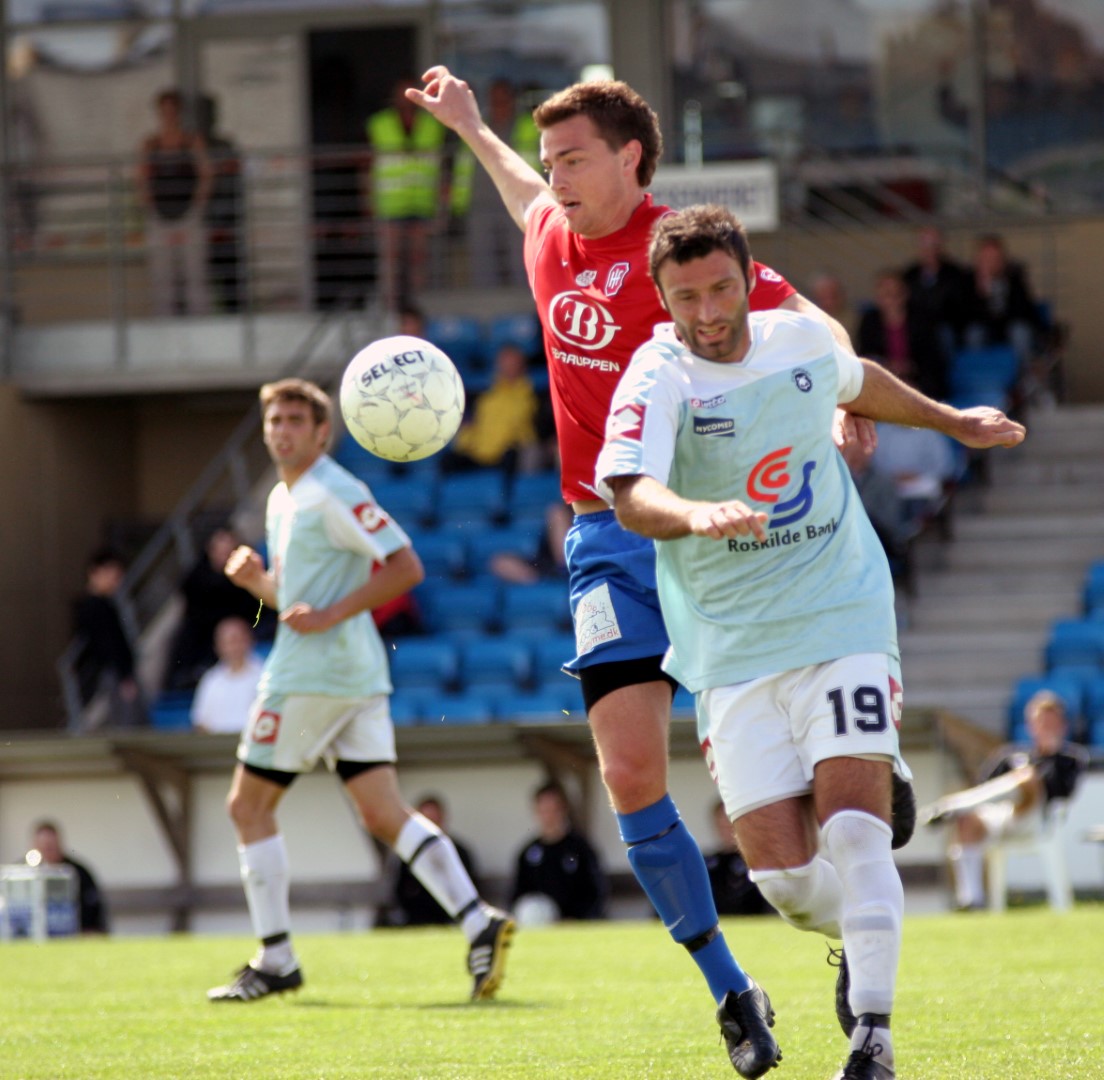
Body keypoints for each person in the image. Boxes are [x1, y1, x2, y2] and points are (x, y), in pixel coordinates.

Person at [409, 66, 883, 1077]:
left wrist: (848, 398)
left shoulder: (683, 254)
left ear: (631, 159)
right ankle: (730, 991)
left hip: (721, 537)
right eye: (551, 159)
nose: (556, 176)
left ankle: (858, 890)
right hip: (607, 539)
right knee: (627, 774)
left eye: (574, 158)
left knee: (788, 820)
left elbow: (809, 321)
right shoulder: (549, 232)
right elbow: (518, 189)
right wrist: (471, 127)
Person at [595, 204, 1025, 1080]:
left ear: (748, 278)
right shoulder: (657, 374)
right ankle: (860, 940)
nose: (709, 312)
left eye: (722, 289)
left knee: (857, 835)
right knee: (786, 883)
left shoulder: (795, 340)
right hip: (730, 647)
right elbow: (631, 494)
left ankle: (873, 1039)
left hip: (840, 613)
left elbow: (856, 379)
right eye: (687, 297)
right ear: (663, 299)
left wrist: (952, 421)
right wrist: (695, 514)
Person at [206, 378, 513, 1004]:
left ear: (323, 432)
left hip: (309, 676)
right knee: (382, 813)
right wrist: (259, 584)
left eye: (296, 421)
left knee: (247, 807)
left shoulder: (334, 490)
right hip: (357, 675)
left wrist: (331, 614)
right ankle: (478, 920)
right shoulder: (284, 498)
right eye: (274, 421)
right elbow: (298, 601)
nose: (282, 431)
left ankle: (276, 958)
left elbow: (406, 566)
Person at [921, 690, 1088, 911]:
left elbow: (1063, 793)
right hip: (1003, 817)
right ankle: (971, 899)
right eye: (1041, 721)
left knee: (1026, 777)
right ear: (1031, 725)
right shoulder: (1012, 755)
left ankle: (952, 806)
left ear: (1062, 726)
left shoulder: (1070, 759)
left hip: (1037, 820)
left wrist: (1044, 761)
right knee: (968, 820)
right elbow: (983, 787)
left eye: (1051, 722)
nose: (1046, 727)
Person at [365, 77, 449, 310]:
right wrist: (369, 202)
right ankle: (391, 306)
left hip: (422, 204)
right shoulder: (379, 124)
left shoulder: (433, 125)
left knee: (418, 260)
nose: (406, 103)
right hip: (390, 205)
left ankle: (418, 306)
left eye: (411, 97)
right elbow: (367, 166)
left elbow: (442, 168)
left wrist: (442, 205)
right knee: (390, 262)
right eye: (402, 97)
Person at [453, 78, 540, 288]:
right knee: (482, 261)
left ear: (512, 100)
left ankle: (525, 298)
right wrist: (458, 205)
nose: (499, 104)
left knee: (522, 256)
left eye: (503, 99)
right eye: (494, 100)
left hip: (520, 203)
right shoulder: (476, 127)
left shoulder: (529, 126)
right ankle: (486, 301)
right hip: (481, 204)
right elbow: (463, 169)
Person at [165, 526, 274, 692]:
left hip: (249, 627)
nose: (223, 555)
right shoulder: (196, 580)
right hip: (207, 636)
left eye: (228, 551)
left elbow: (260, 605)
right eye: (219, 550)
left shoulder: (248, 574)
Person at [136, 88, 212, 316]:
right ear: (159, 113)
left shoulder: (192, 141)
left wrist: (195, 209)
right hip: (160, 217)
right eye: (164, 111)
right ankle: (164, 325)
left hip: (188, 216)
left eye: (173, 111)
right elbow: (141, 179)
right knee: (162, 278)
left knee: (195, 274)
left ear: (179, 112)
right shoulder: (150, 143)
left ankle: (200, 322)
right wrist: (152, 210)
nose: (169, 115)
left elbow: (206, 175)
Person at [511, 779, 609, 922]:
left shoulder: (581, 849)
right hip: (540, 925)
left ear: (564, 810)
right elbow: (517, 896)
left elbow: (596, 892)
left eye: (554, 810)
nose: (549, 817)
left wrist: (576, 919)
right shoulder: (527, 853)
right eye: (544, 811)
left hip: (576, 925)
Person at [377, 794, 480, 927]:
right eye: (427, 821)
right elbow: (399, 894)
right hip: (416, 919)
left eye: (434, 820)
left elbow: (470, 890)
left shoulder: (459, 852)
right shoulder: (406, 854)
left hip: (451, 919)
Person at [72, 547, 146, 731]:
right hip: (111, 674)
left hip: (114, 672)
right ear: (95, 573)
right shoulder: (93, 607)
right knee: (126, 721)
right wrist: (124, 675)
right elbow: (107, 644)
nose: (116, 581)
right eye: (112, 575)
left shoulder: (104, 604)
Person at [442, 342, 540, 474]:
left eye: (513, 363)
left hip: (508, 456)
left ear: (522, 365)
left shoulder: (530, 395)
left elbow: (527, 432)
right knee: (448, 460)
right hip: (479, 454)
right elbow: (473, 427)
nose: (508, 367)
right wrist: (465, 441)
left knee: (514, 456)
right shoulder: (486, 398)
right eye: (505, 363)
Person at [857, 269, 948, 402]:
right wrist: (888, 366)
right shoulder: (869, 321)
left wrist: (911, 368)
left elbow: (932, 359)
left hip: (918, 381)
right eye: (886, 294)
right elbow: (865, 355)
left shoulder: (922, 319)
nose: (892, 299)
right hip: (883, 380)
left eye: (896, 293)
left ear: (905, 294)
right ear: (878, 298)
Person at [963, 233, 1045, 372]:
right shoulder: (969, 280)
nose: (991, 263)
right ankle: (979, 376)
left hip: (1009, 327)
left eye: (995, 258)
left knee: (1020, 333)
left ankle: (1022, 377)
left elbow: (1024, 309)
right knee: (974, 334)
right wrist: (983, 295)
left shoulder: (1014, 278)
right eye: (986, 258)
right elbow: (966, 315)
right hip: (984, 327)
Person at [197, 94, 245, 313]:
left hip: (226, 221)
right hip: (200, 222)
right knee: (202, 277)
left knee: (230, 276)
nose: (205, 119)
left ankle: (232, 313)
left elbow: (235, 181)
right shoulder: (193, 147)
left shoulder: (225, 146)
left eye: (209, 113)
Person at [27, 820, 109, 934]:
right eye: (43, 847)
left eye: (50, 846)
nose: (47, 851)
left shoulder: (77, 872)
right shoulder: (23, 873)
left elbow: (93, 909)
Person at [900, 225, 970, 357]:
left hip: (944, 324)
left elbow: (959, 305)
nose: (929, 249)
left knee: (943, 334)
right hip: (916, 323)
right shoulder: (909, 275)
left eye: (933, 244)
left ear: (940, 246)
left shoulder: (955, 273)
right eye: (925, 244)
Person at [191, 616, 264, 735]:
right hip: (218, 744)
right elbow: (201, 723)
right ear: (218, 646)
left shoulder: (265, 675)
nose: (234, 647)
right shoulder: (210, 679)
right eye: (229, 642)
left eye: (238, 640)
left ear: (250, 640)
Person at [704, 800, 774, 918]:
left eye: (729, 823)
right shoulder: (706, 864)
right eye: (722, 824)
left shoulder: (759, 862)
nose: (726, 829)